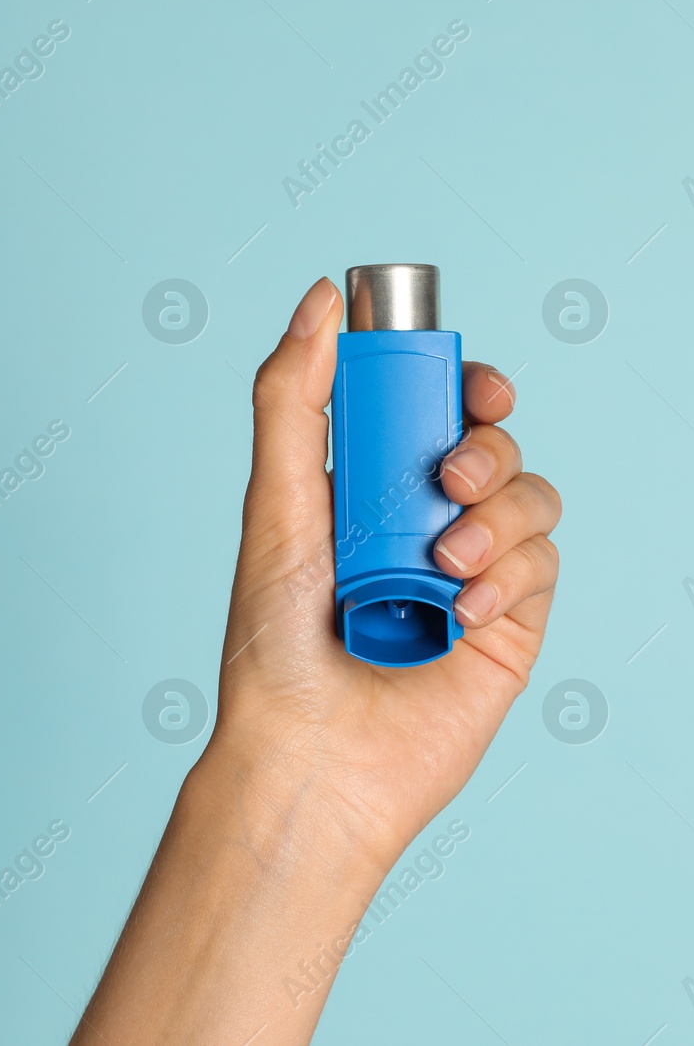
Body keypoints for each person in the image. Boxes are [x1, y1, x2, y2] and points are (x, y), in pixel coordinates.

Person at [70, 277, 563, 1044]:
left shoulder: (418, 367)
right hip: (371, 608)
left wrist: (320, 785)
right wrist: (294, 762)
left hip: (408, 610)